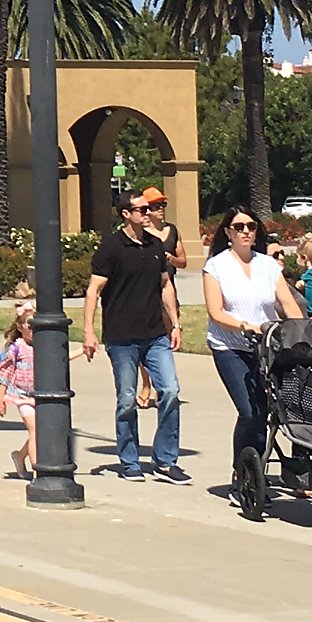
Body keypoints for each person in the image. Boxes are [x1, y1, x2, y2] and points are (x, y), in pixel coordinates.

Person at [83, 196, 185, 482]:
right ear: (126, 214)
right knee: (127, 399)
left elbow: (165, 286)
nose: (148, 213)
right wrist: (89, 332)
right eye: (142, 209)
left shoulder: (155, 245)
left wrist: (175, 324)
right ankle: (129, 461)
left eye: (149, 209)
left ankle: (166, 460)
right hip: (121, 337)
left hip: (155, 335)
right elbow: (94, 291)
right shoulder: (112, 247)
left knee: (170, 392)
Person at [202, 208, 306, 486]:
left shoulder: (268, 265)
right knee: (251, 412)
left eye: (251, 226)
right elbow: (215, 312)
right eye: (239, 227)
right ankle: (244, 470)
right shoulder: (216, 266)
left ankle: (270, 472)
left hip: (268, 346)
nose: (246, 231)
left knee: (284, 408)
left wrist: (302, 330)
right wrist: (245, 326)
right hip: (231, 347)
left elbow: (287, 302)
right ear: (228, 233)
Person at [135, 189, 186, 408]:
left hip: (168, 291)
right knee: (145, 342)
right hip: (147, 294)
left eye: (162, 205)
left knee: (166, 340)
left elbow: (183, 261)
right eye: (155, 206)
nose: (160, 209)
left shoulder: (171, 231)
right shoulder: (142, 235)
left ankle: (162, 384)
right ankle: (147, 384)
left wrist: (171, 258)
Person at [0, 306, 38, 481]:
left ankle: (20, 456)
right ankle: (38, 472)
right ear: (20, 327)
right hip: (21, 397)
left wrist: (84, 349)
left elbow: (63, 356)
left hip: (39, 396)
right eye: (30, 325)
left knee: (39, 433)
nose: (34, 329)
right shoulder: (16, 348)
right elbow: (5, 374)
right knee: (35, 431)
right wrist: (0, 400)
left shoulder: (43, 346)